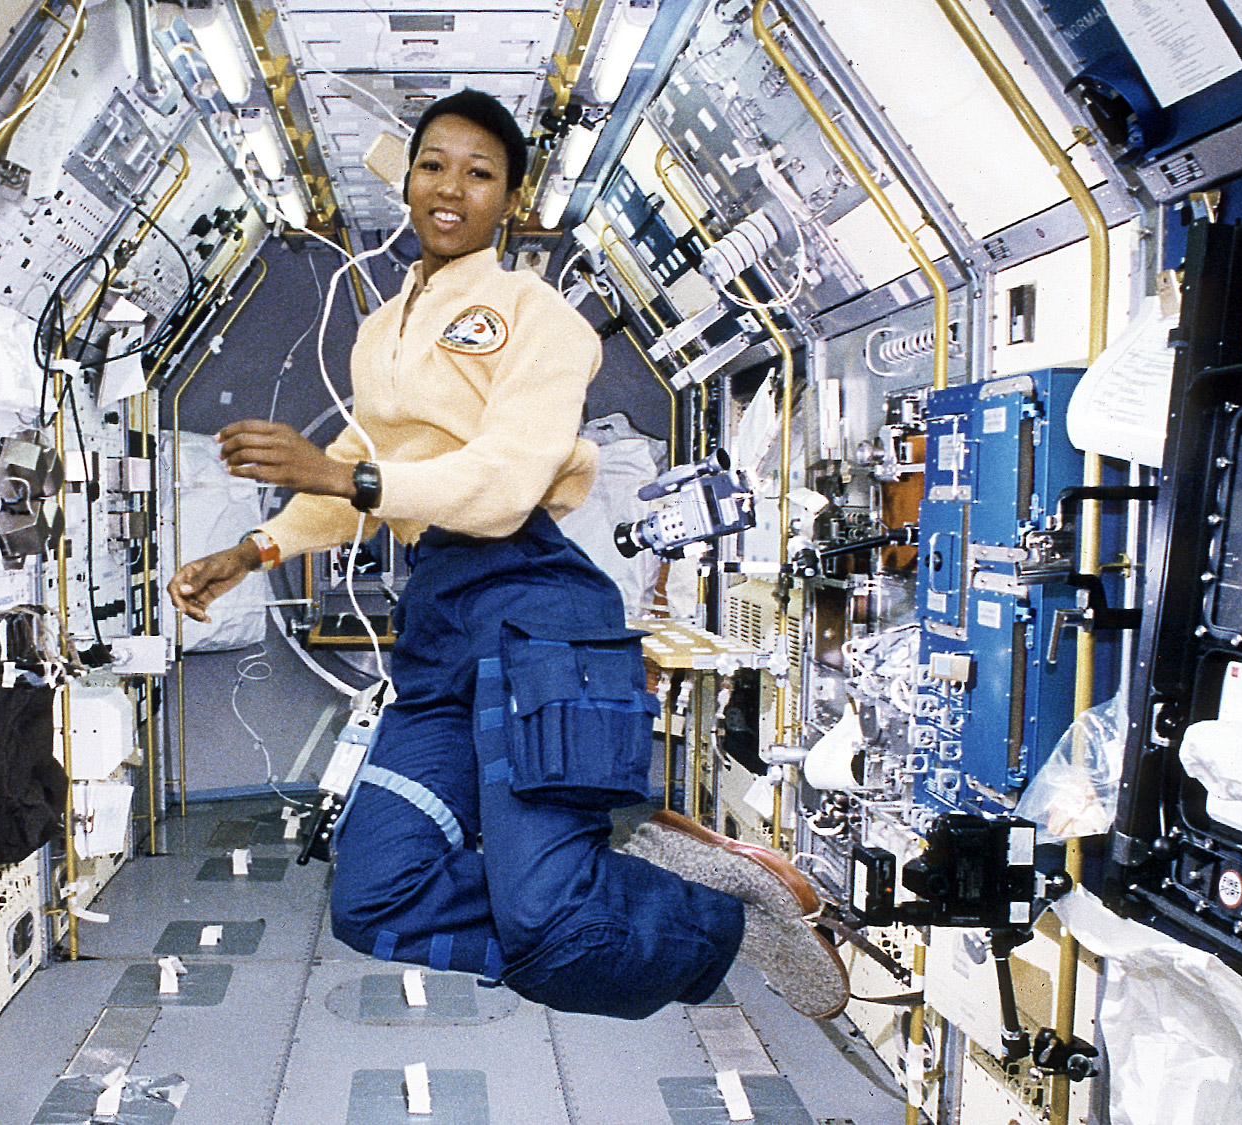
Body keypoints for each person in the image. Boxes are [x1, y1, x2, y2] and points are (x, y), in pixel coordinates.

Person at [169, 89, 849, 1020]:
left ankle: (721, 911)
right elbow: (366, 473)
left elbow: (500, 481)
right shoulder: (380, 334)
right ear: (405, 180)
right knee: (373, 900)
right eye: (433, 165)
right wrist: (252, 549)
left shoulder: (541, 318)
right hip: (441, 626)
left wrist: (348, 481)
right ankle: (620, 881)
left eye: (480, 174)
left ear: (513, 203)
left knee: (550, 919)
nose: (451, 188)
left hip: (535, 611)